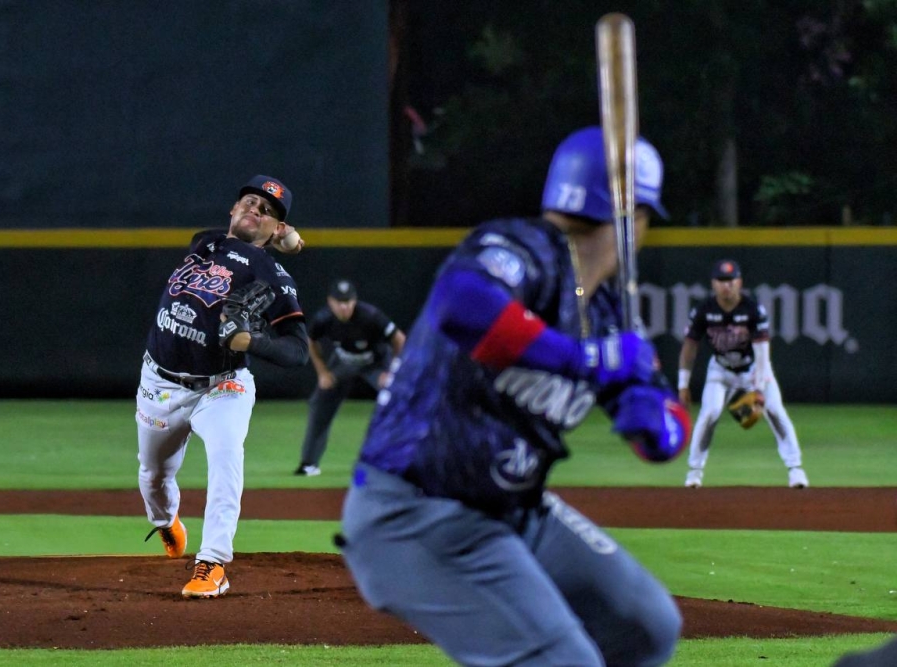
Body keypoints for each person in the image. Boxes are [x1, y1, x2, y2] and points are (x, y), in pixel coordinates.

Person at [337, 126, 691, 666]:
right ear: (633, 220)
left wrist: (654, 422)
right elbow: (462, 302)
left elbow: (665, 431)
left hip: (514, 512)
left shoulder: (605, 310)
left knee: (646, 626)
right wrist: (587, 361)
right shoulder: (520, 249)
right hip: (414, 513)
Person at [137, 175, 309, 598]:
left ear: (276, 227)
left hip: (223, 385)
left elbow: (298, 350)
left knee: (227, 459)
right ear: (232, 210)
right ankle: (165, 522)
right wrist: (288, 237)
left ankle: (212, 563)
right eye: (250, 202)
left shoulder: (272, 274)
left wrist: (252, 340)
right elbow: (246, 237)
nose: (256, 209)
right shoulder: (205, 242)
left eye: (268, 211)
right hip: (160, 382)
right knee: (153, 476)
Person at [678, 259, 809, 489]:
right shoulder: (703, 310)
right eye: (721, 281)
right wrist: (683, 384)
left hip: (753, 368)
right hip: (720, 370)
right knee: (710, 412)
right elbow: (690, 346)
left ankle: (795, 470)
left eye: (731, 280)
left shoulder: (752, 309)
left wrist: (758, 388)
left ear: (739, 282)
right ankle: (694, 472)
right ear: (713, 284)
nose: (726, 286)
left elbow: (762, 353)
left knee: (775, 411)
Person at [294, 279, 406, 476]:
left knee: (397, 402)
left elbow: (399, 339)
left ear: (354, 301)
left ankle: (402, 461)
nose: (344, 306)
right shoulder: (324, 319)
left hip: (376, 364)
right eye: (340, 302)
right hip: (343, 363)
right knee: (320, 403)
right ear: (331, 302)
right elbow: (310, 341)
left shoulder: (370, 316)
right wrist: (323, 373)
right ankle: (309, 464)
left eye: (348, 301)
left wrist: (392, 372)